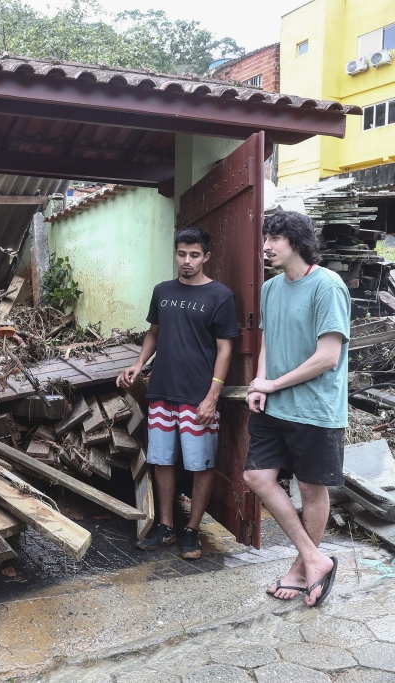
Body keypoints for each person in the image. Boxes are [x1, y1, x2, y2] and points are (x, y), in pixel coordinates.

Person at [243, 211, 349, 608]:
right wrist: (259, 382)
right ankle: (314, 559)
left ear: (297, 242)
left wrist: (273, 384)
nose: (266, 246)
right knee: (256, 476)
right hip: (274, 405)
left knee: (309, 487)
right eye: (266, 238)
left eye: (274, 239)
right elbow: (269, 340)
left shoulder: (327, 287)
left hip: (316, 408)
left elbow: (327, 357)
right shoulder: (271, 288)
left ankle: (301, 568)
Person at [118, 226, 238, 560]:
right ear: (176, 254)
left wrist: (213, 396)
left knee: (201, 464)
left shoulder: (220, 296)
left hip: (197, 395)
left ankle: (192, 531)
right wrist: (138, 363)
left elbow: (225, 349)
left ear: (206, 256)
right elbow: (153, 333)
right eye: (182, 254)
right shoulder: (162, 291)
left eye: (194, 255)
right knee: (162, 460)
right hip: (162, 392)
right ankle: (167, 525)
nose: (187, 261)